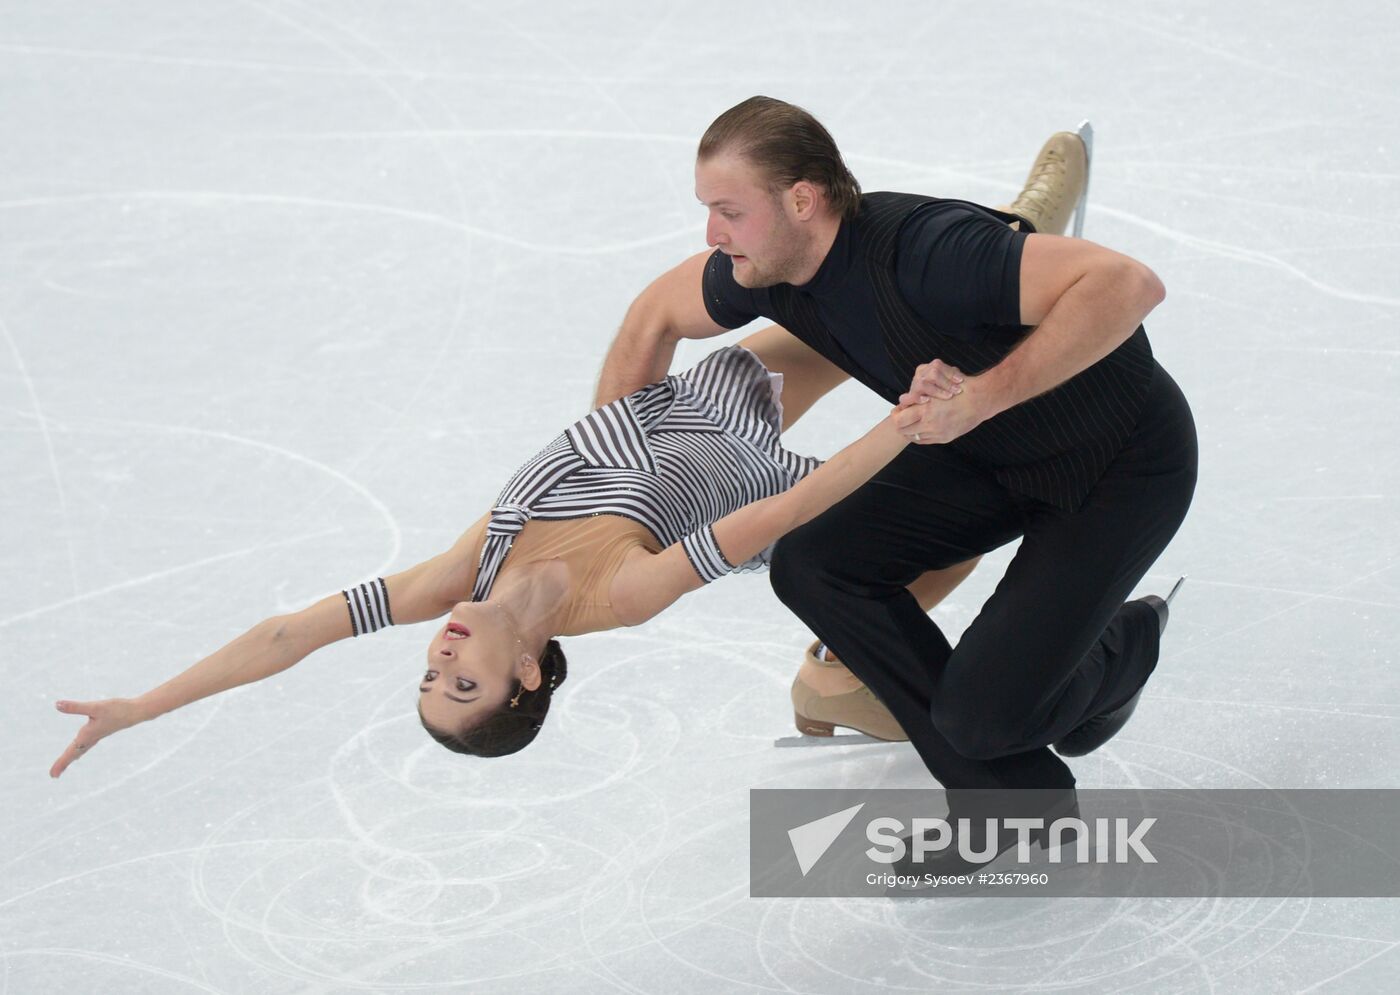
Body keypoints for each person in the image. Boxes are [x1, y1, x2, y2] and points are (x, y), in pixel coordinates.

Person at [593, 96, 1198, 867]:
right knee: (813, 561)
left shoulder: (929, 250)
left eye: (729, 211)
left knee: (983, 716)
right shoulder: (763, 267)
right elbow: (653, 316)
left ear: (801, 201)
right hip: (981, 455)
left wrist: (982, 397)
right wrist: (615, 497)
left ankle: (1124, 644)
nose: (713, 233)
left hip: (1120, 460)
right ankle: (1012, 802)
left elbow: (1127, 283)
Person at [49, 333, 980, 776]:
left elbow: (290, 634)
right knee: (954, 533)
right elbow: (787, 503)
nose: (442, 658)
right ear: (527, 675)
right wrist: (903, 425)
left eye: (429, 677)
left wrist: (142, 705)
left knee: (883, 314)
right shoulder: (622, 598)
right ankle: (839, 664)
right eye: (464, 686)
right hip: (776, 493)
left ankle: (1015, 233)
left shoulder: (464, 575)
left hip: (699, 408)